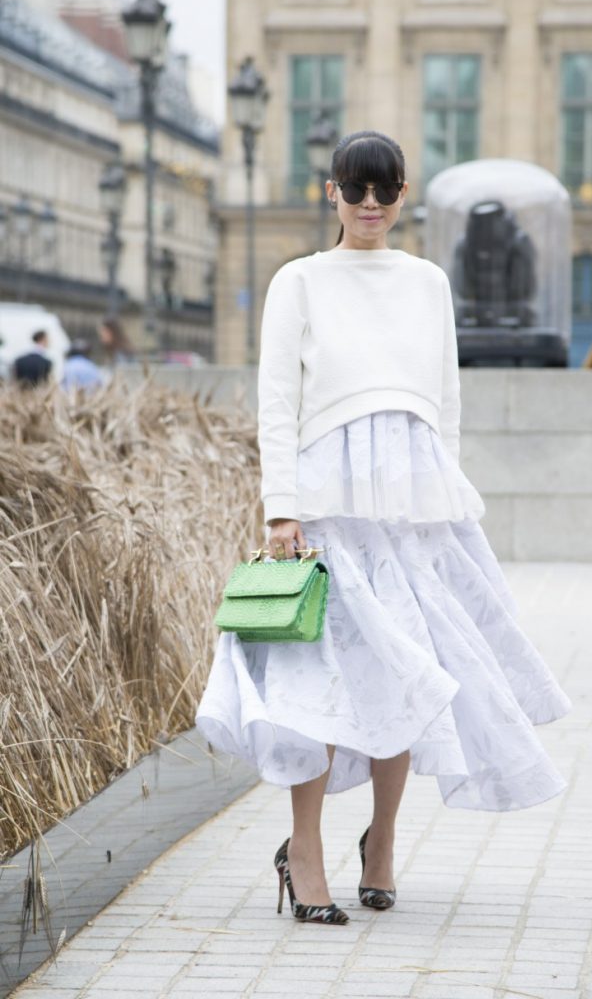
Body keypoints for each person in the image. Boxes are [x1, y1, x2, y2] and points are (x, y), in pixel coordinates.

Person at [196, 130, 572, 926]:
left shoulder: (428, 281)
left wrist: (445, 493)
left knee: (407, 673)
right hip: (328, 496)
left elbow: (446, 398)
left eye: (385, 191)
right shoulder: (297, 281)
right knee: (320, 683)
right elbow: (276, 403)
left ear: (405, 196)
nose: (370, 205)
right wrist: (281, 509)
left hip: (413, 497)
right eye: (355, 190)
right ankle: (303, 851)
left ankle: (382, 843)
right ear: (330, 193)